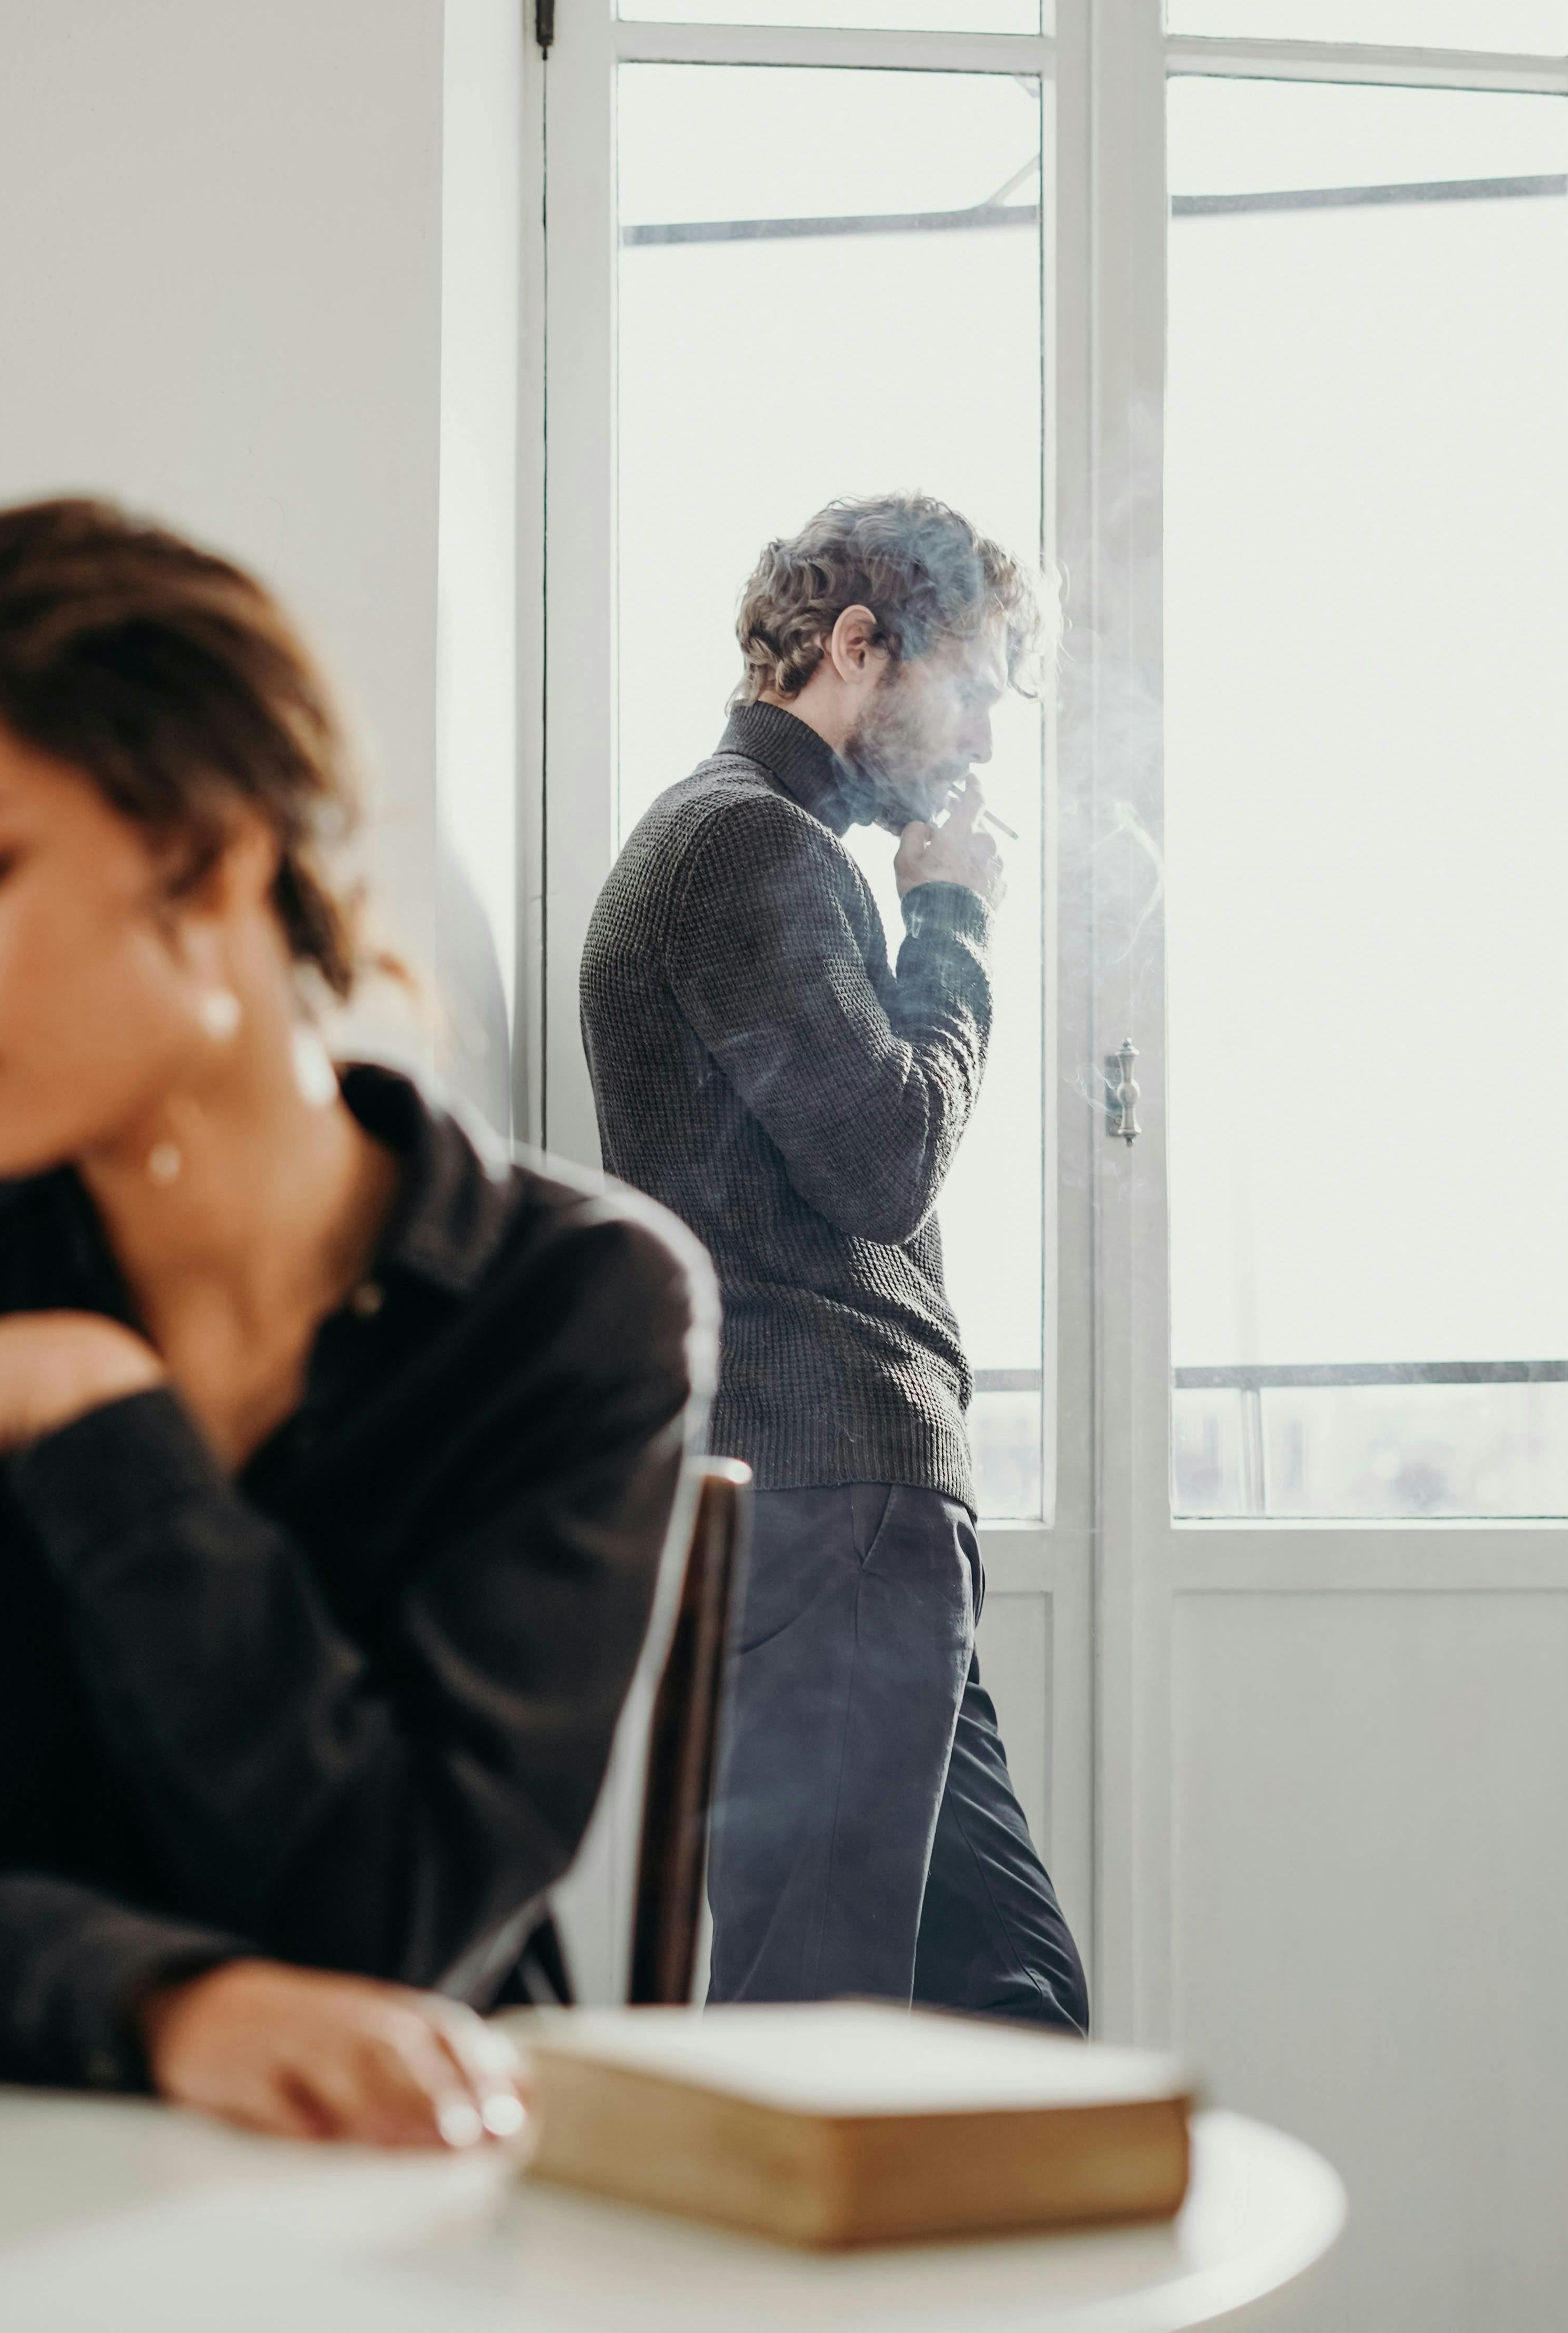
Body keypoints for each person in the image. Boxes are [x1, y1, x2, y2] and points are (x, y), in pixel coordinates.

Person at [0, 499, 714, 2146]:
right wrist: (148, 1998)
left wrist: (89, 1408)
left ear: (217, 848)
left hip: (383, 2197)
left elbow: (390, 1923)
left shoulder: (575, 1302)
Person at [579, 494, 1087, 2031]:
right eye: (974, 688)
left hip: (845, 1499)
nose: (984, 740)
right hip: (829, 1494)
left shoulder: (751, 842)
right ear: (858, 646)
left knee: (1015, 1999)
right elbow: (883, 1158)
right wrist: (952, 921)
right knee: (813, 2019)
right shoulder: (747, 842)